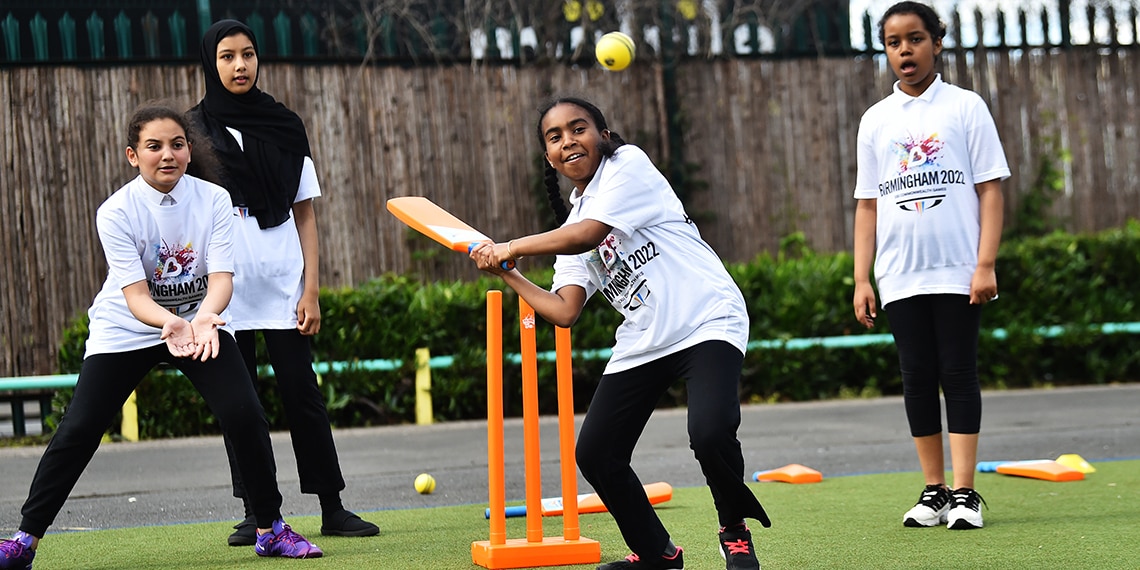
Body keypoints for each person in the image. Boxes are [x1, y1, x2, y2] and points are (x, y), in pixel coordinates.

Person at [0, 103, 323, 570]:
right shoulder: (115, 212)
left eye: (176, 144)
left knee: (244, 411)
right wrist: (169, 323)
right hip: (129, 327)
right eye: (153, 147)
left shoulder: (214, 200)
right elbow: (134, 295)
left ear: (189, 151)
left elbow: (222, 280)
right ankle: (24, 542)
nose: (166, 154)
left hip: (199, 321)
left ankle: (270, 529)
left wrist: (205, 319)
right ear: (134, 156)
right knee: (81, 427)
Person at [469, 97, 770, 570]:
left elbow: (590, 235)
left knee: (710, 432)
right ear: (548, 156)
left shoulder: (628, 166)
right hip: (645, 338)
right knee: (596, 453)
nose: (568, 140)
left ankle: (733, 529)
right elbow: (564, 310)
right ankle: (658, 555)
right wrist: (508, 272)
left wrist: (512, 246)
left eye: (578, 128)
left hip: (706, 316)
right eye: (555, 136)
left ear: (603, 136)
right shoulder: (568, 227)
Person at [185, 19, 378, 545]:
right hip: (224, 286)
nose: (239, 65)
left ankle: (332, 506)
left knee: (303, 395)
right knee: (240, 403)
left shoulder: (285, 124)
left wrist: (310, 289)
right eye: (227, 56)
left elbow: (306, 213)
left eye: (247, 54)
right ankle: (257, 512)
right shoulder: (193, 131)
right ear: (211, 63)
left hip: (282, 280)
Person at [851, 1, 1008, 531]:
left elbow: (990, 189)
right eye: (894, 42)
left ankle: (965, 494)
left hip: (959, 269)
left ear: (936, 43)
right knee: (916, 377)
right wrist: (861, 277)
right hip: (899, 275)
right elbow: (867, 203)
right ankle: (934, 491)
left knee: (959, 373)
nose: (905, 50)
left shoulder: (965, 107)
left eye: (915, 39)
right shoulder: (875, 120)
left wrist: (984, 262)